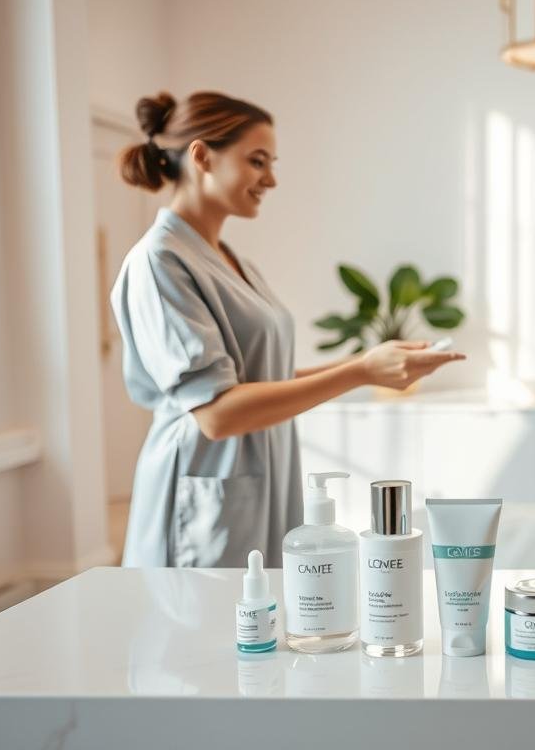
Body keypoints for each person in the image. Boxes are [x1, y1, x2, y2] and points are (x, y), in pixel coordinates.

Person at [111, 91, 464, 568]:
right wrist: (359, 371)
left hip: (263, 477)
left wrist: (375, 364)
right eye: (257, 161)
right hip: (204, 493)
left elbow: (260, 376)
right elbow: (217, 414)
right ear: (201, 156)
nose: (271, 179)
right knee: (203, 632)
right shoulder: (160, 261)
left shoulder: (230, 260)